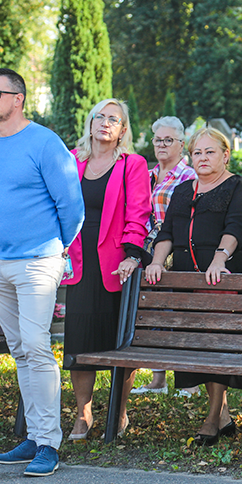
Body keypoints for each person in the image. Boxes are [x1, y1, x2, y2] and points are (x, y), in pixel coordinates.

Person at [0, 68, 84, 476]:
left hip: (38, 262)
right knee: (20, 351)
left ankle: (49, 444)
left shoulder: (45, 143)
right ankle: (34, 437)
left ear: (18, 98)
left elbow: (72, 208)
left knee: (36, 347)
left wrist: (54, 251)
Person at [144, 127, 242, 446]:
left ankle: (211, 420)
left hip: (219, 281)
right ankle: (223, 415)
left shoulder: (237, 187)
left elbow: (236, 227)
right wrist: (156, 261)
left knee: (215, 347)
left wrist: (220, 259)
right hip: (187, 280)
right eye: (197, 153)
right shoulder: (183, 190)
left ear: (225, 155)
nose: (203, 158)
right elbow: (167, 232)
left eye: (210, 152)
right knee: (198, 346)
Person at [62, 99, 152, 440]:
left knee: (118, 343)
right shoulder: (71, 160)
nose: (105, 122)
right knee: (78, 340)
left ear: (123, 129)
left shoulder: (132, 164)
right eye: (99, 116)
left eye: (113, 119)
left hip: (115, 265)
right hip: (78, 260)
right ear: (90, 122)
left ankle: (118, 411)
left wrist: (132, 255)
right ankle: (83, 413)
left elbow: (139, 212)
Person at [130, 116, 196, 396]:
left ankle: (189, 380)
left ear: (182, 144)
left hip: (175, 249)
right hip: (146, 251)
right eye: (158, 139)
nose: (162, 145)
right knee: (152, 311)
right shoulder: (146, 174)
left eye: (169, 140)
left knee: (177, 313)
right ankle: (158, 378)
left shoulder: (189, 177)